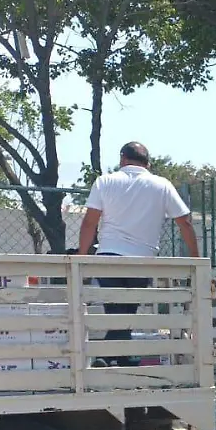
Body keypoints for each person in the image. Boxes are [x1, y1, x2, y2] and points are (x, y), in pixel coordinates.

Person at [78, 142, 199, 365]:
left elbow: (89, 223)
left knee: (115, 311)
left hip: (109, 257)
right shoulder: (162, 185)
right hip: (143, 260)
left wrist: (82, 257)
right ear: (148, 163)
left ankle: (108, 356)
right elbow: (185, 223)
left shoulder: (105, 181)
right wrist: (196, 259)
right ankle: (121, 358)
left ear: (122, 158)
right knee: (128, 311)